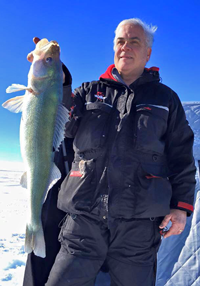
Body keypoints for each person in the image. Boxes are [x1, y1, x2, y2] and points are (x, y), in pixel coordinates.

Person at [25, 18, 196, 286]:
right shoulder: (88, 93)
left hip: (138, 229)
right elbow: (64, 126)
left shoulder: (166, 100)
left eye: (134, 41)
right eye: (120, 41)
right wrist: (56, 78)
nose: (125, 46)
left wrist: (181, 207)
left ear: (148, 52)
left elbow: (182, 157)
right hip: (82, 224)